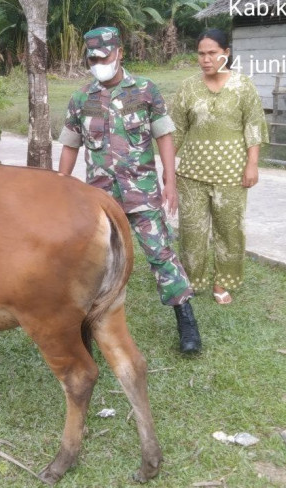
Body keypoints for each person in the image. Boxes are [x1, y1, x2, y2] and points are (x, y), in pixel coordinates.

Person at [58, 26, 201, 355]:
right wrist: (61, 186)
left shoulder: (146, 91)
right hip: (100, 200)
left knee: (161, 255)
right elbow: (70, 145)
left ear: (119, 52)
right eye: (92, 58)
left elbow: (164, 135)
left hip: (143, 195)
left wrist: (171, 180)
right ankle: (87, 330)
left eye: (104, 56)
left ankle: (186, 320)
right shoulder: (82, 98)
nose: (98, 63)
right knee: (95, 264)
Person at [170, 28, 268, 305]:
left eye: (212, 52)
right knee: (191, 231)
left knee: (229, 230)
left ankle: (223, 281)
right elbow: (176, 130)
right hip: (191, 173)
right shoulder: (188, 87)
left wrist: (252, 164)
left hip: (231, 173)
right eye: (201, 53)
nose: (206, 59)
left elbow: (254, 126)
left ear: (226, 53)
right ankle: (191, 279)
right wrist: (165, 170)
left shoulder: (242, 86)